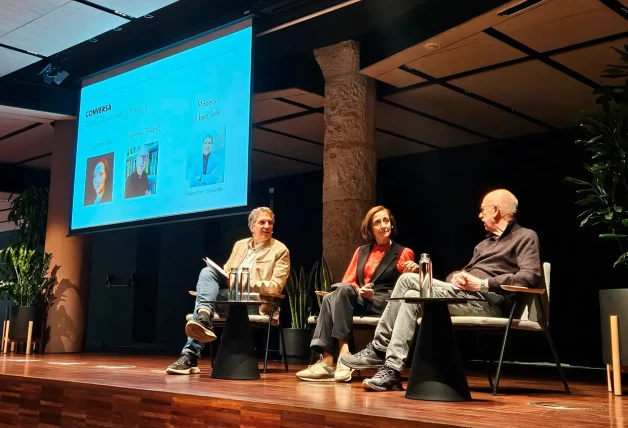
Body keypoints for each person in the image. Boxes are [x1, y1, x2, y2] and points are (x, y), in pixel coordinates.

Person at [341, 189, 541, 391]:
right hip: (464, 297)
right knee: (411, 295)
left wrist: (482, 284)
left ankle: (378, 348)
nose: (480, 215)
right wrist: (457, 277)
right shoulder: (483, 245)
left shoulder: (524, 237)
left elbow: (530, 276)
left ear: (496, 210)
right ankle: (392, 370)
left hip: (488, 302)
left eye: (483, 210)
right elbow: (463, 275)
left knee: (408, 280)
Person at [296, 206, 415, 383]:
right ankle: (336, 358)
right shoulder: (362, 251)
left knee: (332, 297)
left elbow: (405, 285)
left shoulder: (403, 252)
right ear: (370, 229)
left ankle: (336, 360)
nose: (383, 225)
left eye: (386, 220)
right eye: (378, 222)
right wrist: (359, 291)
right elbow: (348, 281)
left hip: (385, 303)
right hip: (361, 299)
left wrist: (412, 270)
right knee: (335, 294)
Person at [166, 207, 290, 375]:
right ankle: (203, 317)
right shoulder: (240, 245)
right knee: (207, 272)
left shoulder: (280, 250)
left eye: (270, 222)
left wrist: (243, 283)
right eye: (262, 222)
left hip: (256, 302)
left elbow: (276, 286)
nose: (267, 226)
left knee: (205, 299)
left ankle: (190, 355)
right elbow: (226, 271)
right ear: (252, 226)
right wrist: (223, 276)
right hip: (230, 297)